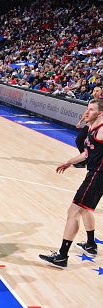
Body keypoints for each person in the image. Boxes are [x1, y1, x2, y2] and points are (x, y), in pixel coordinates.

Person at [40, 99, 103, 268]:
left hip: (98, 175)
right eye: (87, 109)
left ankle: (62, 256)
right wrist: (69, 162)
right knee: (85, 209)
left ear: (100, 113)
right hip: (95, 174)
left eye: (91, 110)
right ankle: (90, 244)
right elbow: (85, 154)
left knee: (73, 212)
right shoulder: (92, 128)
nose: (87, 112)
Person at [74, 87, 102, 168]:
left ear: (101, 92)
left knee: (83, 141)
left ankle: (85, 161)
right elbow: (86, 111)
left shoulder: (101, 102)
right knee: (80, 141)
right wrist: (80, 121)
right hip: (89, 125)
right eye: (94, 90)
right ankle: (84, 159)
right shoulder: (91, 100)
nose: (95, 92)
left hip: (96, 126)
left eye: (97, 91)